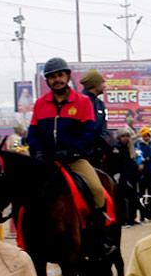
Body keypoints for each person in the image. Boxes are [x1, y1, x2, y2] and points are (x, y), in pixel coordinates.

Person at [27, 57, 112, 256]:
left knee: (97, 189)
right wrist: (38, 151)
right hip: (46, 161)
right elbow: (33, 132)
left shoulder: (82, 102)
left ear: (67, 76)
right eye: (52, 77)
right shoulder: (40, 104)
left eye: (60, 75)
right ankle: (27, 238)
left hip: (74, 160)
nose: (57, 80)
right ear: (47, 81)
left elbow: (89, 132)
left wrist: (72, 151)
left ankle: (100, 236)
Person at [80, 70, 114, 163]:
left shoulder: (100, 103)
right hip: (82, 154)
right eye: (102, 82)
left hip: (97, 153)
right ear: (94, 84)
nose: (105, 85)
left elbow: (102, 129)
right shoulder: (79, 101)